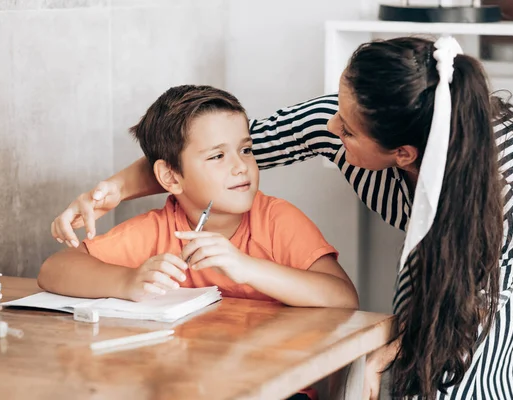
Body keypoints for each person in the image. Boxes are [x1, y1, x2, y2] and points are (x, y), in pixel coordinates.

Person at [51, 37, 513, 400]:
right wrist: (110, 191)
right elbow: (205, 151)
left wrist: (404, 345)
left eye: (348, 130)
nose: (331, 126)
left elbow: (477, 302)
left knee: (475, 378)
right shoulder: (350, 116)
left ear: (401, 155)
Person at [40, 85, 359, 399]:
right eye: (218, 155)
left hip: (277, 389)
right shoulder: (159, 230)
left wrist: (246, 267)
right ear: (170, 177)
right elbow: (55, 268)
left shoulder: (278, 220)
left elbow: (343, 297)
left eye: (246, 150)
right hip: (184, 387)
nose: (240, 166)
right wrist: (127, 281)